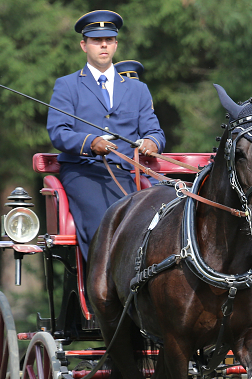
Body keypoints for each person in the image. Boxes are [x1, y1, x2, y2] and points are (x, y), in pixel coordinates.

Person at [46, 10, 165, 260]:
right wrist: (90, 142)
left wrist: (151, 142)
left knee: (159, 223)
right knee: (105, 222)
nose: (103, 45)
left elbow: (155, 132)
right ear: (84, 45)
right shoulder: (67, 85)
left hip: (127, 173)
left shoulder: (138, 89)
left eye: (109, 40)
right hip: (84, 172)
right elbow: (58, 132)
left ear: (116, 44)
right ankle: (101, 293)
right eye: (96, 40)